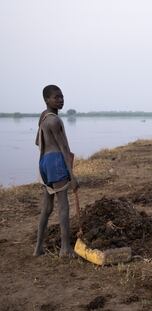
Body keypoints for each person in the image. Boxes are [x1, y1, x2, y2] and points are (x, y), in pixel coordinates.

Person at [33, 85, 79, 257]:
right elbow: (64, 148)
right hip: (55, 161)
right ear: (47, 99)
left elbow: (38, 142)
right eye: (56, 97)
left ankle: (38, 248)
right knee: (63, 206)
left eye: (62, 97)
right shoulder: (55, 121)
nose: (60, 100)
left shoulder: (43, 117)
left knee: (47, 207)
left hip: (44, 162)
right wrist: (72, 176)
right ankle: (65, 248)